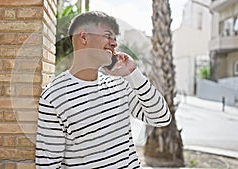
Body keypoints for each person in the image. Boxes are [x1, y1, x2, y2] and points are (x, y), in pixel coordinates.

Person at [36, 11, 171, 168]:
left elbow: (161, 118)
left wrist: (134, 73)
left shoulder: (119, 84)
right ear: (84, 37)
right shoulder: (53, 97)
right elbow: (48, 165)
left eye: (115, 39)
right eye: (108, 36)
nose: (114, 44)